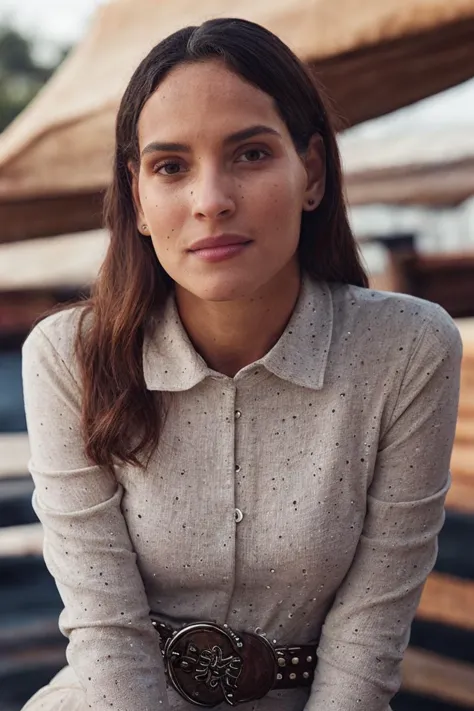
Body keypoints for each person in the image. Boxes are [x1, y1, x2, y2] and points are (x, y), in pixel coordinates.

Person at [21, 17, 462, 711]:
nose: (211, 200)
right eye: (171, 167)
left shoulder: (406, 348)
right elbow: (107, 636)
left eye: (250, 154)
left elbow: (370, 632)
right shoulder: (68, 357)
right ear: (138, 198)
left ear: (310, 172)